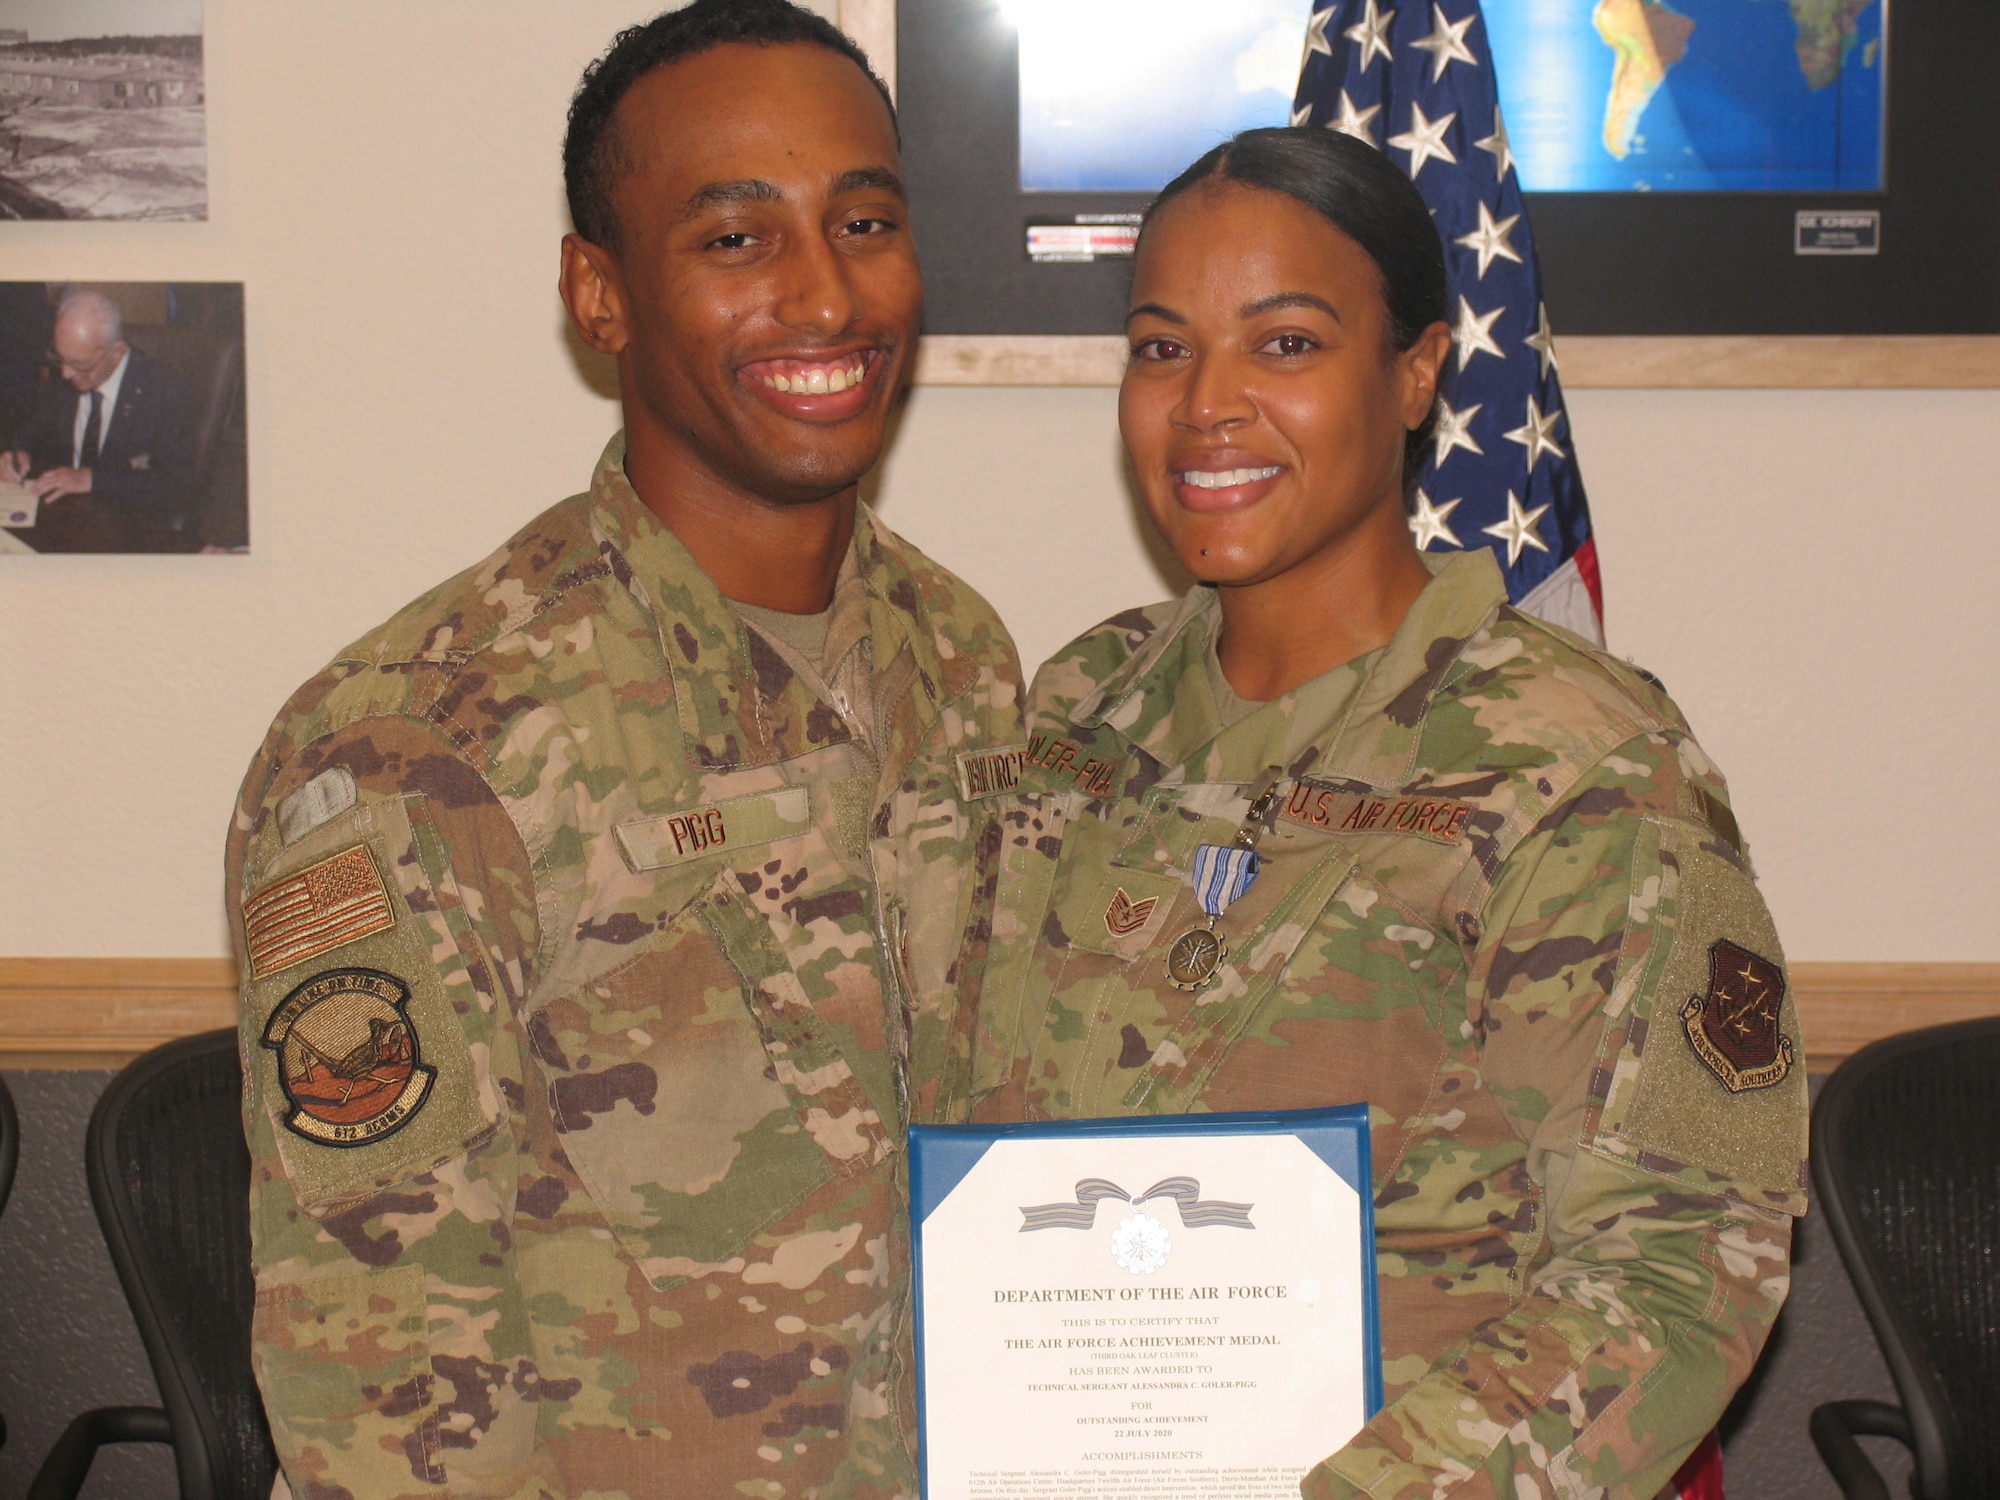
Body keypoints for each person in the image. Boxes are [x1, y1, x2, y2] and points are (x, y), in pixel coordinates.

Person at [225, 4, 1021, 1496]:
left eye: (864, 220)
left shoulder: (958, 659)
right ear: (601, 296)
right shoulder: (427, 739)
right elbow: (386, 1371)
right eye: (737, 240)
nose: (826, 292)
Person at [969, 128, 1806, 1499]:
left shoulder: (1585, 766)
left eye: (1284, 345)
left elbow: (1674, 1268)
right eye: (1161, 347)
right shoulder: (1072, 718)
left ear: (1417, 372)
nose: (1206, 406)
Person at [2, 289, 191, 524]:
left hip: (126, 526)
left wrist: (92, 480)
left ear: (117, 353)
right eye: (61, 359)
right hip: (66, 516)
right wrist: (20, 452)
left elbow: (177, 485)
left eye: (80, 365)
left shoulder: (163, 392)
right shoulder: (66, 370)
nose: (65, 373)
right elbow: (37, 427)